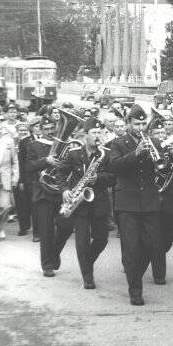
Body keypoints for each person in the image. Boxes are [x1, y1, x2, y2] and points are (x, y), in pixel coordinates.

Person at [107, 105, 164, 306]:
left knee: (154, 245)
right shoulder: (118, 143)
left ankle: (134, 274)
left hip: (149, 201)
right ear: (129, 123)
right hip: (127, 203)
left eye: (143, 123)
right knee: (131, 248)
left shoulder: (155, 141)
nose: (141, 127)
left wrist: (158, 155)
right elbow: (114, 166)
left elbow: (162, 166)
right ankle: (135, 290)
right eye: (137, 124)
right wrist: (136, 153)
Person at [54, 119, 114, 289]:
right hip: (79, 204)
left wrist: (99, 178)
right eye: (94, 133)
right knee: (82, 242)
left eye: (100, 132)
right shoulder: (74, 154)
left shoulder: (106, 154)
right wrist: (64, 189)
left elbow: (114, 177)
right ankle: (88, 277)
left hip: (99, 203)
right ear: (85, 135)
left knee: (102, 240)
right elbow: (60, 172)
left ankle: (87, 262)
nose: (98, 136)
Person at [25, 117, 68, 277]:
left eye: (52, 128)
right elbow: (28, 167)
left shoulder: (64, 144)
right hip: (43, 193)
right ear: (41, 130)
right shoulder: (33, 145)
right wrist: (46, 161)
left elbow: (69, 165)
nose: (50, 132)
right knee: (46, 230)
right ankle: (47, 265)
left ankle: (54, 253)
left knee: (66, 225)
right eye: (47, 129)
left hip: (60, 191)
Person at [149, 114, 173, 285]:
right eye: (157, 134)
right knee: (156, 237)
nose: (162, 136)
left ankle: (154, 254)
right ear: (151, 136)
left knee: (169, 236)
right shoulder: (147, 152)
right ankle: (159, 273)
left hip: (170, 200)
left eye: (163, 133)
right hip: (152, 201)